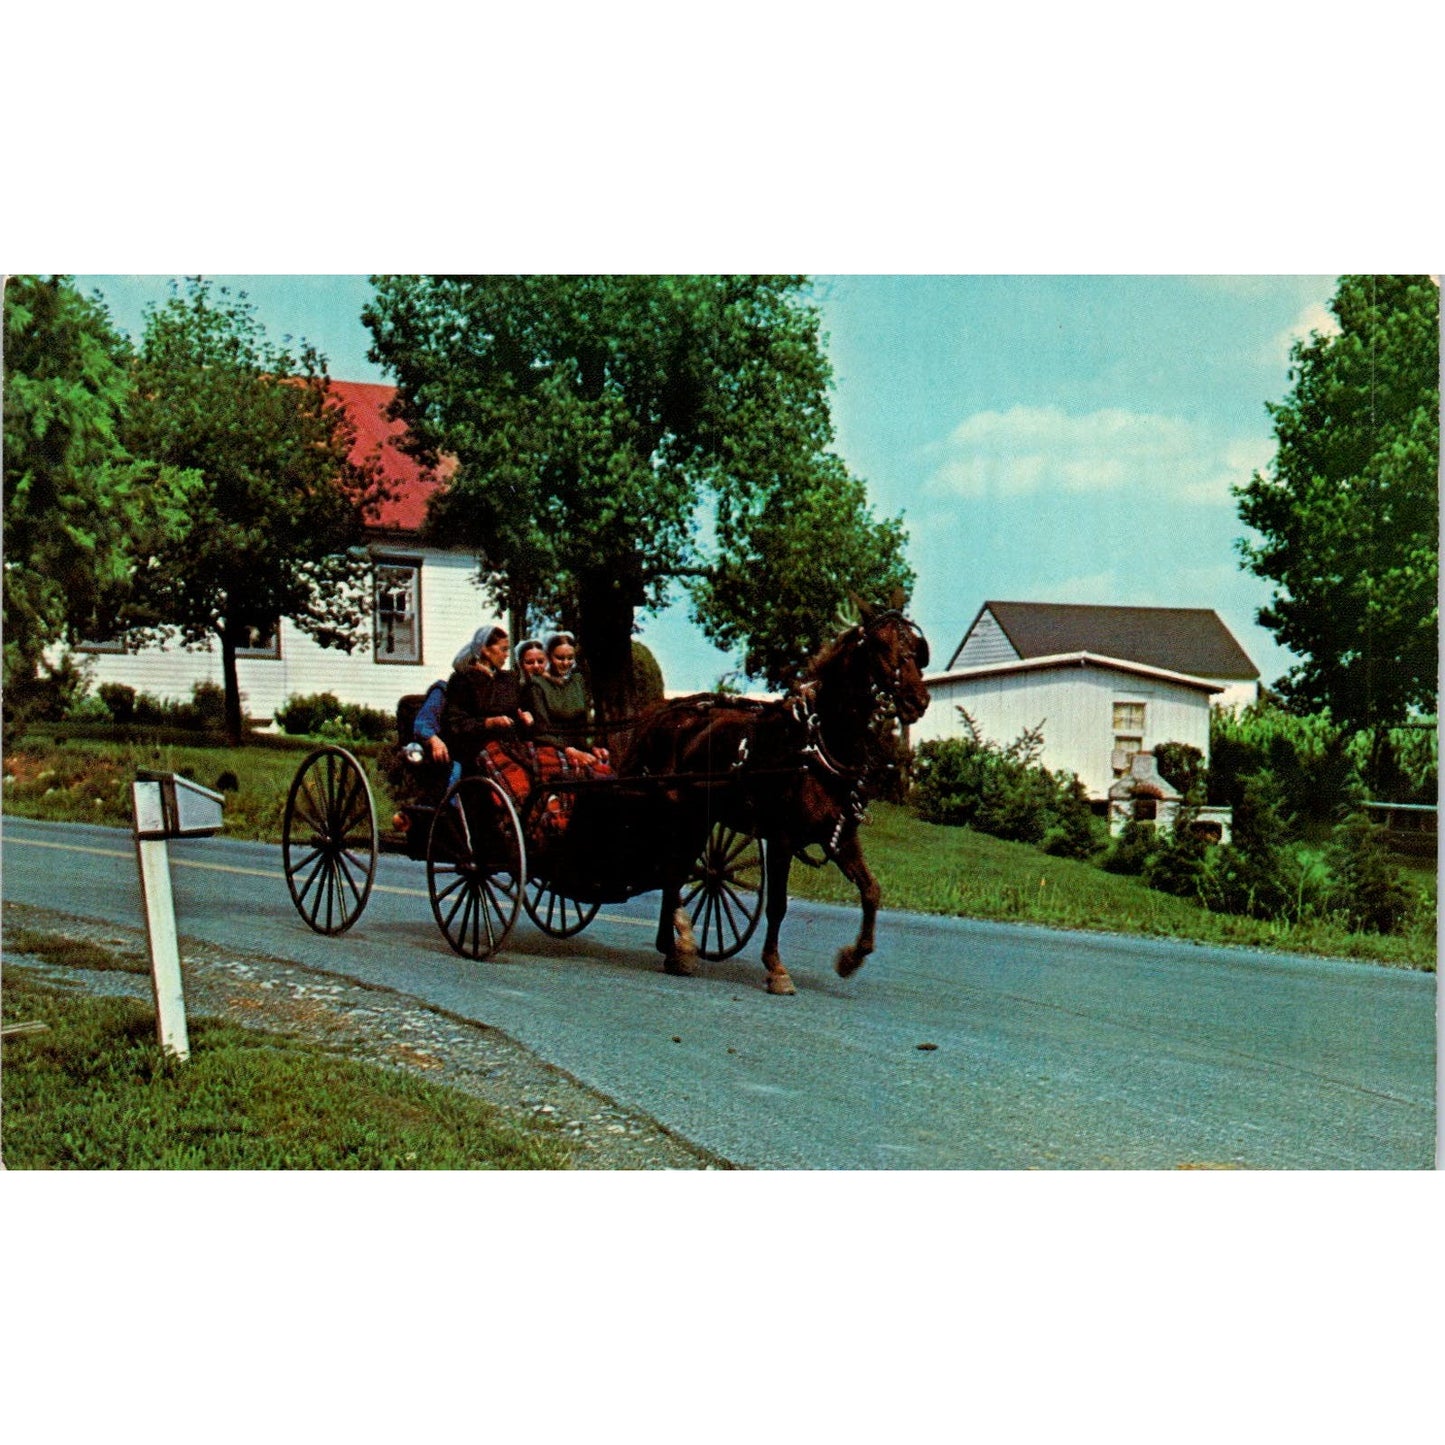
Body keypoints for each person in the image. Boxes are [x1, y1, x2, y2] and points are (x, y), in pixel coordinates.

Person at [440, 624, 534, 774]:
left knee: (547, 766)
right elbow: (455, 724)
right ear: (485, 650)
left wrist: (524, 718)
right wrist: (489, 723)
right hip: (478, 746)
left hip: (513, 744)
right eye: (503, 649)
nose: (507, 654)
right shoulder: (463, 681)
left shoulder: (508, 679)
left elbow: (517, 711)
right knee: (514, 774)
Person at [527, 631, 609, 771]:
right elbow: (541, 730)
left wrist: (593, 747)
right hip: (553, 748)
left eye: (570, 658)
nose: (566, 663)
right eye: (560, 658)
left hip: (580, 748)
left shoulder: (578, 681)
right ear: (549, 657)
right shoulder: (537, 685)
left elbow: (586, 723)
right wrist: (570, 750)